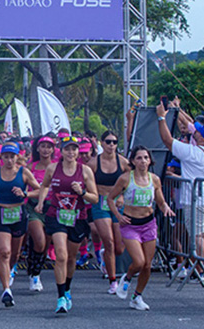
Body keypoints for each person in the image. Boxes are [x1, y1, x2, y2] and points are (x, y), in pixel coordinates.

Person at [158, 103, 204, 283]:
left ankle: (198, 268)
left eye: (198, 131)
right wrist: (178, 109)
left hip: (196, 199)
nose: (194, 132)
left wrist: (161, 118)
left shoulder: (191, 152)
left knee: (197, 236)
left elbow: (167, 140)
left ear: (202, 136)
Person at [36, 135, 98, 314]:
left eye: (74, 149)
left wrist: (83, 192)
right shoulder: (53, 168)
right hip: (56, 215)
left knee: (71, 258)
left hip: (77, 217)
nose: (71, 152)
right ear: (61, 151)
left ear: (78, 152)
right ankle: (61, 297)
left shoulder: (85, 171)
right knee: (61, 255)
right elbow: (45, 186)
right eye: (67, 149)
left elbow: (94, 197)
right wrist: (41, 202)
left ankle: (67, 288)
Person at [109, 146, 175, 310]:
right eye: (139, 158)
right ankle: (128, 277)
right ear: (132, 161)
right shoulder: (125, 179)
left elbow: (160, 201)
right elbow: (110, 198)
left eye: (146, 158)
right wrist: (118, 216)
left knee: (147, 264)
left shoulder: (154, 179)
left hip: (148, 224)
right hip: (130, 224)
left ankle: (137, 296)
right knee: (139, 261)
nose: (143, 161)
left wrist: (165, 207)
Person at [0, 144, 40, 307]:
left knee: (14, 254)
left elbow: (40, 190)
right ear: (1, 157)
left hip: (18, 214)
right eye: (6, 156)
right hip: (0, 213)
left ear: (17, 157)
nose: (9, 160)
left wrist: (26, 194)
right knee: (4, 252)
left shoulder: (23, 172)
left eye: (12, 156)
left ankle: (9, 271)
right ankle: (6, 290)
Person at [87, 130, 130, 293]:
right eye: (108, 142)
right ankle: (113, 281)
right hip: (101, 204)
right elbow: (87, 181)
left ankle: (106, 256)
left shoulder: (123, 163)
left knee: (119, 247)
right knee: (109, 242)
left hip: (118, 204)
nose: (111, 145)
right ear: (102, 144)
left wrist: (122, 196)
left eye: (114, 142)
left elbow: (130, 181)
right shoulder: (93, 163)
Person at [25, 135, 55, 292]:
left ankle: (35, 269)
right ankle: (34, 276)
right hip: (34, 208)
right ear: (37, 148)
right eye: (43, 146)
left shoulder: (57, 167)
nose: (46, 150)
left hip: (52, 209)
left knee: (45, 246)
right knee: (40, 241)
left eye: (49, 147)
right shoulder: (30, 167)